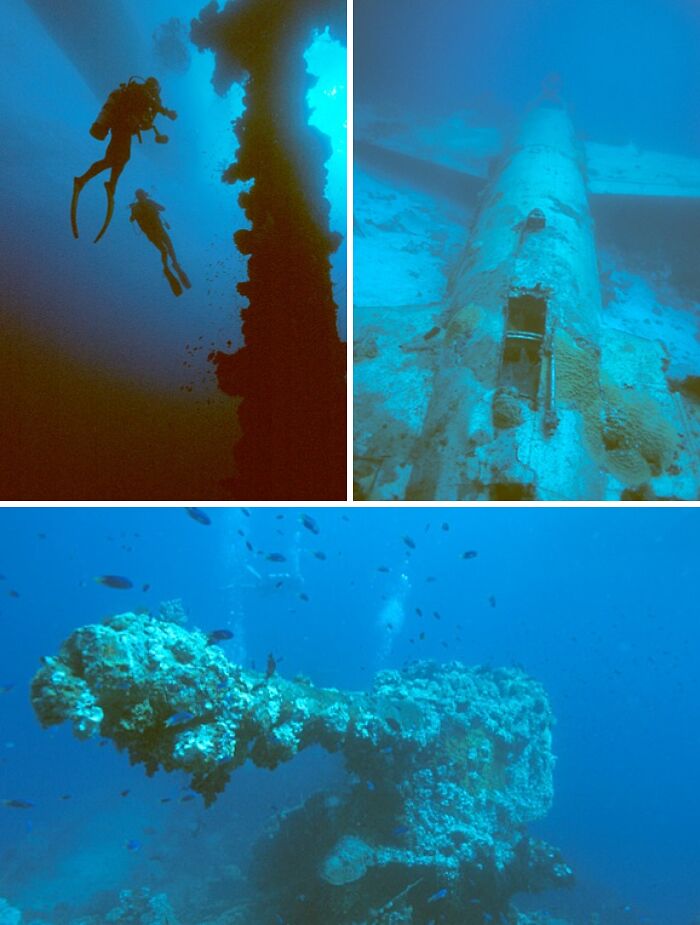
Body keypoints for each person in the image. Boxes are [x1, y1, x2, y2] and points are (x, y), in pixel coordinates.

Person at [71, 77, 177, 242]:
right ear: (153, 87)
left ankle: (106, 184)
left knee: (116, 159)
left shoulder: (141, 97)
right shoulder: (141, 91)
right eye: (155, 91)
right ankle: (86, 181)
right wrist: (166, 112)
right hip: (122, 125)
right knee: (117, 159)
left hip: (124, 127)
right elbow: (150, 102)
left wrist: (152, 121)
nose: (156, 95)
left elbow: (145, 123)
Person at [129, 189, 191, 297]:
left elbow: (132, 219)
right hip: (157, 231)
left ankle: (167, 267)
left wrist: (135, 209)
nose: (143, 196)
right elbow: (163, 208)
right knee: (168, 248)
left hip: (154, 233)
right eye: (143, 195)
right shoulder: (145, 203)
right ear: (142, 195)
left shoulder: (137, 206)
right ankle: (174, 264)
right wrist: (150, 205)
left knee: (164, 250)